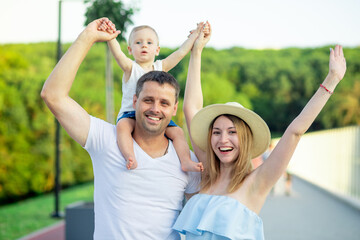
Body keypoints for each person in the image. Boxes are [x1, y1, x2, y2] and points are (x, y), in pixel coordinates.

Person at [173, 25, 347, 239]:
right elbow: (191, 108)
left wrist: (331, 80)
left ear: (244, 138)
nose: (222, 139)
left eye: (232, 132)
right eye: (216, 132)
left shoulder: (257, 181)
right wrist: (197, 52)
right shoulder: (206, 172)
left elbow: (294, 132)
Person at [41, 17, 201, 240]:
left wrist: (196, 48)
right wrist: (88, 37)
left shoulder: (188, 163)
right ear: (134, 101)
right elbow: (53, 96)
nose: (155, 109)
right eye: (148, 100)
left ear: (174, 109)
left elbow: (198, 223)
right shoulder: (106, 140)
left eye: (164, 103)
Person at [97, 19, 207, 172]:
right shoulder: (130, 68)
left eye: (149, 43)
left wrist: (194, 36)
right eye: (138, 42)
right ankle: (130, 156)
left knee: (178, 132)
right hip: (130, 114)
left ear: (157, 49)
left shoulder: (160, 67)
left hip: (155, 115)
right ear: (130, 49)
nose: (144, 45)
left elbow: (181, 53)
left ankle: (186, 161)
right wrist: (111, 36)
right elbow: (117, 54)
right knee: (122, 128)